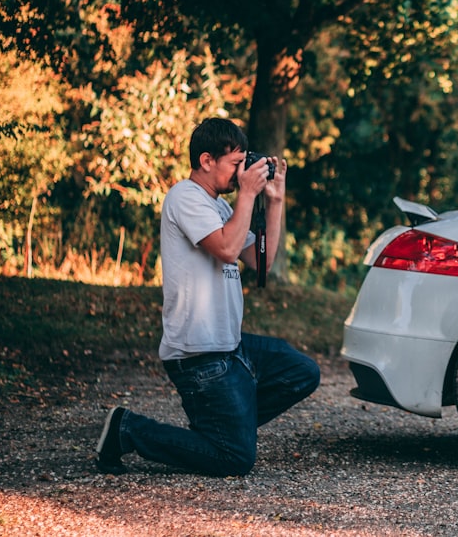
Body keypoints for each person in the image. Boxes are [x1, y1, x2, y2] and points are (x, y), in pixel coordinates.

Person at [95, 117, 321, 476]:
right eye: (235, 164)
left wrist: (274, 201)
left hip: (231, 348)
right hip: (200, 356)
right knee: (234, 459)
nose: (240, 173)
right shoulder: (185, 197)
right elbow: (228, 249)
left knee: (302, 371)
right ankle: (128, 430)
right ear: (206, 161)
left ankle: (226, 426)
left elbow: (259, 261)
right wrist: (247, 193)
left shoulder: (219, 205)